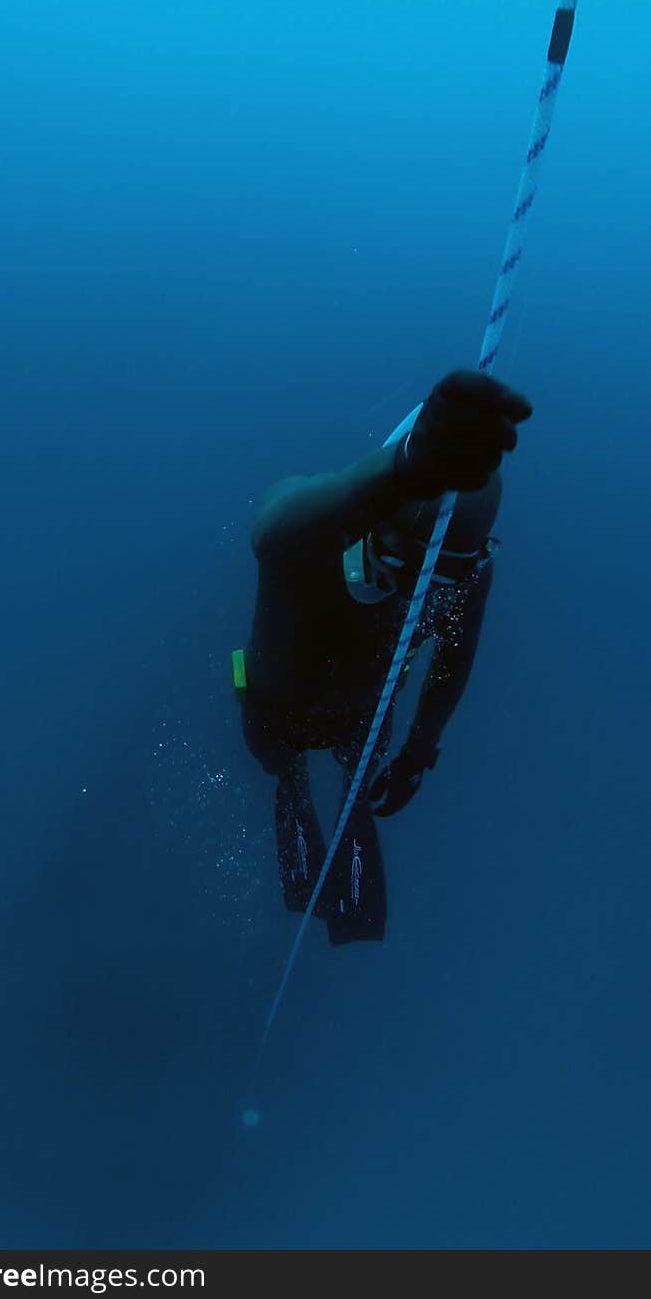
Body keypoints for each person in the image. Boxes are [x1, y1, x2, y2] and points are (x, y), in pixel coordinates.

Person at [238, 369, 532, 946]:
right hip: (278, 711)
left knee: (354, 772)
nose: (408, 593)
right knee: (285, 769)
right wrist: (398, 470)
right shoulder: (319, 524)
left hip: (361, 718)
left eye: (436, 581)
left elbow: (456, 654)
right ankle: (294, 791)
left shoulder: (465, 570)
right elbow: (272, 528)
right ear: (369, 523)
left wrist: (420, 749)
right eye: (392, 569)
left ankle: (331, 811)